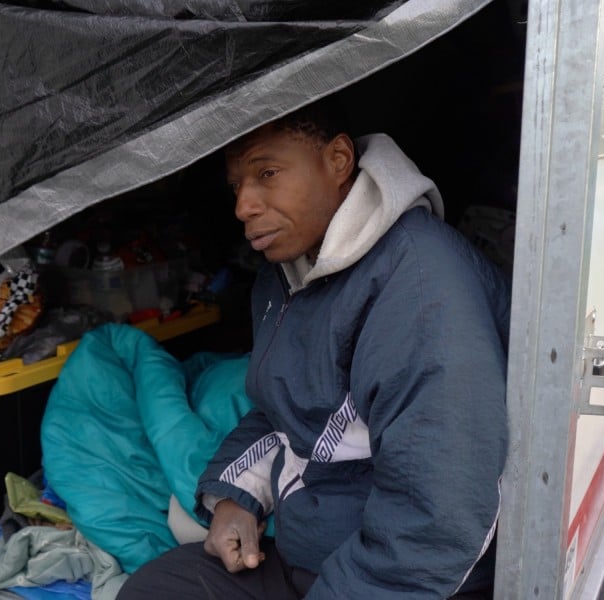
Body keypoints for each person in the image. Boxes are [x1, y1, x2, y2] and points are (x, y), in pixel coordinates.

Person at [117, 98, 511, 599]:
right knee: (156, 590)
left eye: (268, 173)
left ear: (339, 161)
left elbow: (436, 518)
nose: (244, 206)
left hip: (401, 581)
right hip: (316, 559)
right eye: (238, 185)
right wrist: (237, 501)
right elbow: (283, 411)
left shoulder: (417, 283)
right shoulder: (288, 275)